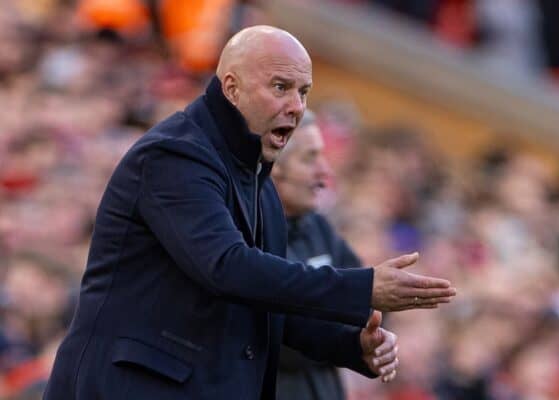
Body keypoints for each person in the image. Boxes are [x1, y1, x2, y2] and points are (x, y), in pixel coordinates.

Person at [43, 25, 456, 400]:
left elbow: (263, 303)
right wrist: (361, 288)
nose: (296, 106)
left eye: (304, 91)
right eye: (281, 87)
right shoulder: (175, 154)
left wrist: (349, 346)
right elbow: (226, 268)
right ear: (231, 87)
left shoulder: (255, 177)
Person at [272, 110, 362, 400]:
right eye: (310, 158)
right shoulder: (245, 235)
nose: (325, 171)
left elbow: (372, 302)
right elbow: (285, 343)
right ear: (274, 166)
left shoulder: (318, 226)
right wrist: (346, 336)